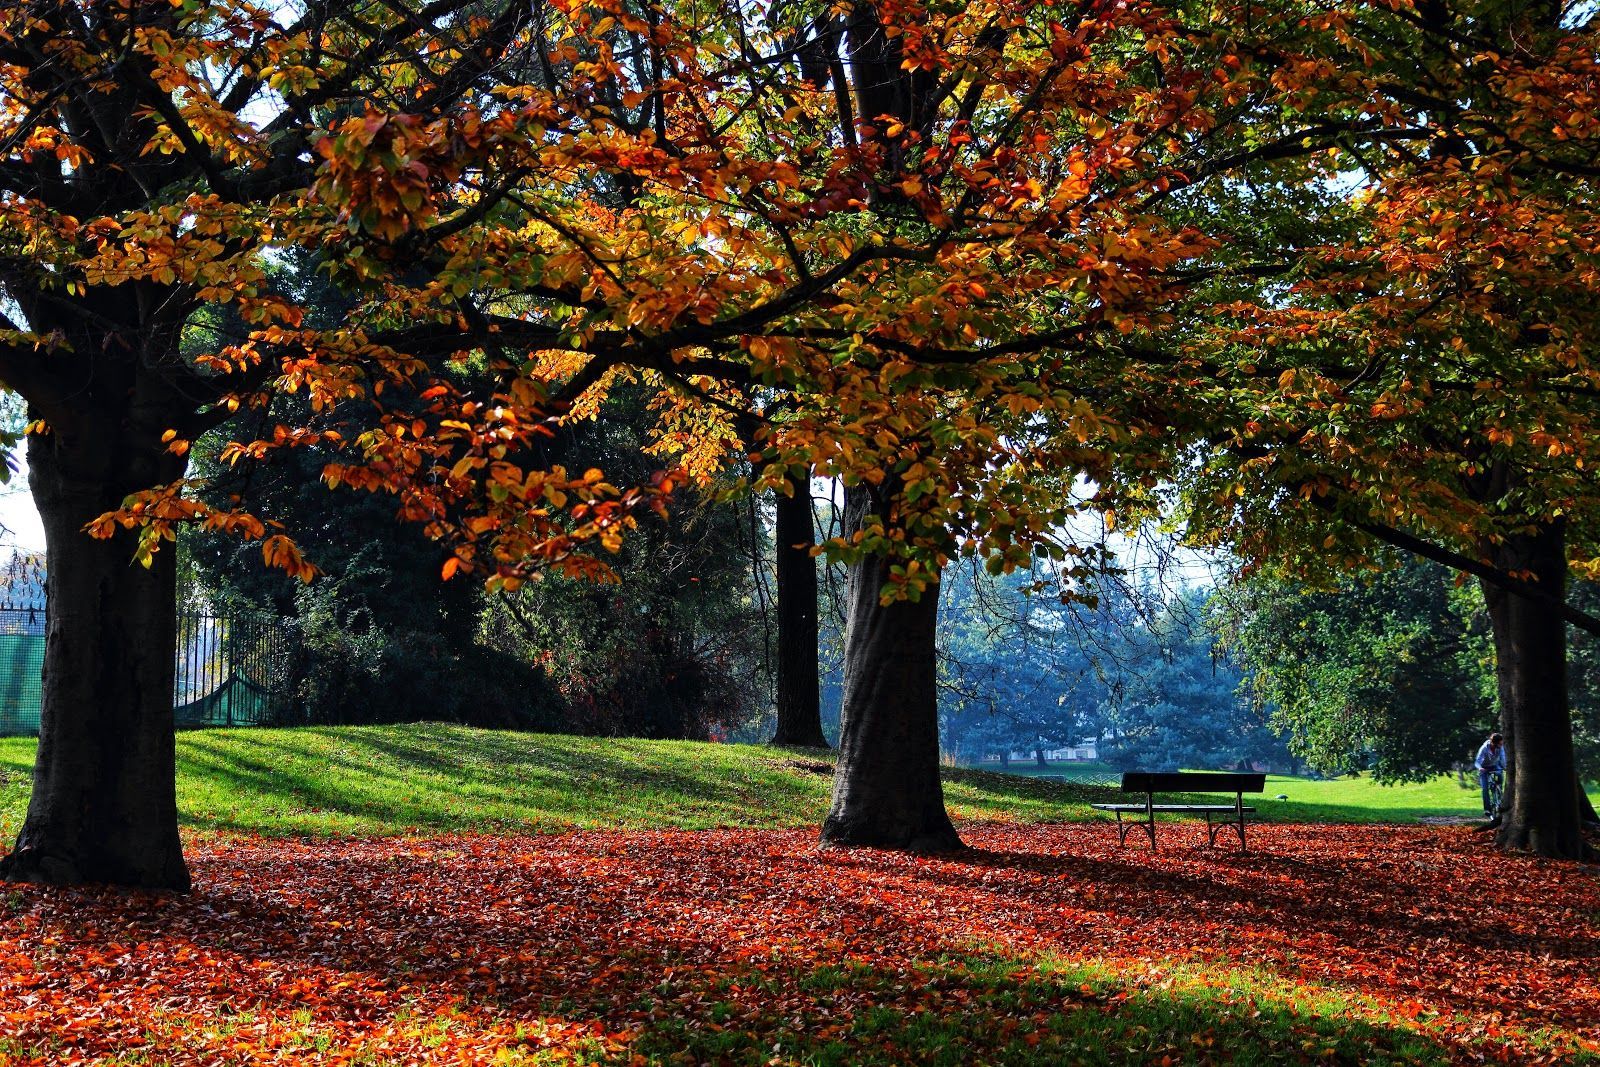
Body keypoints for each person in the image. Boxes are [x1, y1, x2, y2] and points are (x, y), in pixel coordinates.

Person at [1475, 732, 1506, 818]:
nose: (1501, 745)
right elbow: (1477, 761)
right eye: (1500, 743)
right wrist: (1480, 768)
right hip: (1484, 768)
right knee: (1485, 789)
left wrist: (1505, 767)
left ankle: (1500, 798)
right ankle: (1487, 809)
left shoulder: (1500, 747)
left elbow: (1503, 758)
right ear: (1494, 743)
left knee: (1500, 779)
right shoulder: (1484, 748)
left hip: (1495, 766)